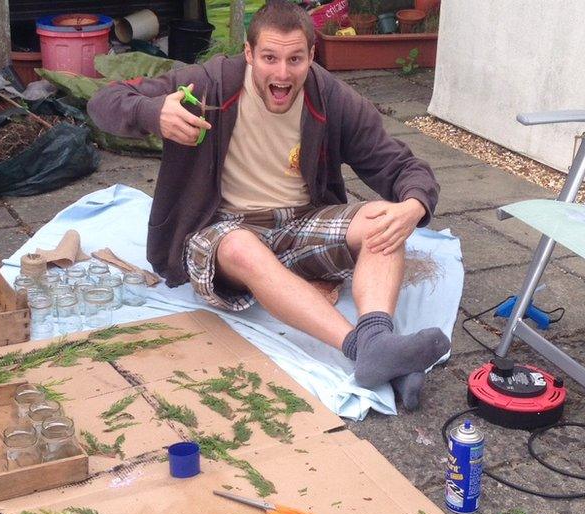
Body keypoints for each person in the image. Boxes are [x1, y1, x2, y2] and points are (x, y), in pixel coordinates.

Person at [87, 0, 450, 410]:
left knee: (383, 219)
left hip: (301, 223)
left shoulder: (331, 97)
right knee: (243, 246)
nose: (282, 73)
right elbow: (103, 103)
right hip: (223, 229)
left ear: (312, 56)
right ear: (248, 53)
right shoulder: (208, 84)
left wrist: (414, 205)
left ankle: (378, 340)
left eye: (295, 59)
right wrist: (153, 113)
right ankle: (363, 348)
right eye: (269, 58)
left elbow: (399, 164)